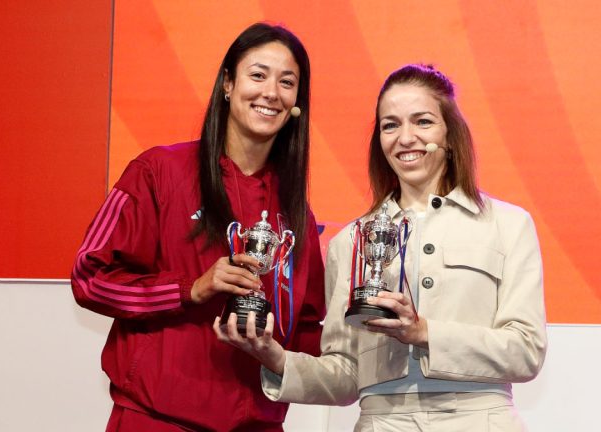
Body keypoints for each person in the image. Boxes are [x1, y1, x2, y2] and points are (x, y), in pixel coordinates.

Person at [216, 64, 547, 431]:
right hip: (382, 421)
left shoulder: (508, 224)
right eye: (390, 125)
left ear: (450, 134)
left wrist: (424, 333)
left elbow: (526, 350)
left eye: (422, 122)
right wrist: (276, 358)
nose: (405, 138)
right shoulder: (351, 241)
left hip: (479, 417)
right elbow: (345, 374)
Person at [71, 23, 326, 431]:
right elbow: (90, 277)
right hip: (157, 419)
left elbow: (308, 329)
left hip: (256, 425)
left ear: (297, 101)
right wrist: (190, 288)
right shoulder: (158, 171)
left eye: (287, 82)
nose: (271, 93)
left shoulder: (298, 217)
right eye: (257, 75)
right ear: (228, 83)